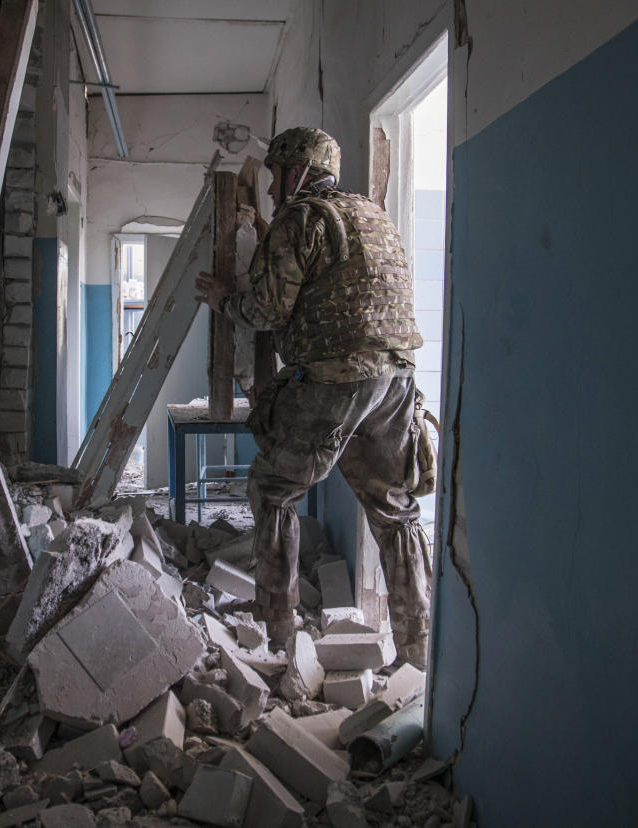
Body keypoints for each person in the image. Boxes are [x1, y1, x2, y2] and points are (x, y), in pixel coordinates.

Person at [195, 127, 433, 669]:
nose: (274, 193)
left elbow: (266, 313)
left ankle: (278, 637)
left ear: (296, 172)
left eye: (277, 177)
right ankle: (417, 652)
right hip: (395, 384)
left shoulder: (301, 219)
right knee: (396, 512)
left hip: (335, 380)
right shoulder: (372, 216)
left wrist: (223, 299)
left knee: (273, 489)